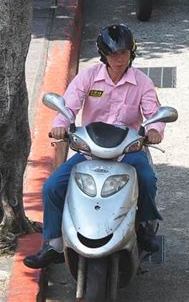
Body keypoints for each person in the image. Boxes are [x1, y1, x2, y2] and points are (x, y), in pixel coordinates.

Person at [23, 25, 164, 269]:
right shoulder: (88, 78)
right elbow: (68, 107)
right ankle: (54, 243)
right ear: (103, 56)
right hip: (90, 152)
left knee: (148, 179)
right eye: (114, 54)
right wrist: (60, 125)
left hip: (126, 153)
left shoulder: (142, 82)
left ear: (132, 53)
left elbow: (154, 113)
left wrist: (154, 131)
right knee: (52, 187)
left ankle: (143, 228)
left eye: (124, 53)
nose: (120, 59)